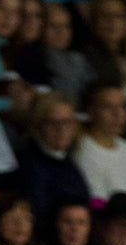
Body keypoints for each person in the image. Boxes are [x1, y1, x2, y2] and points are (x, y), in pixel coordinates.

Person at [73, 84, 126, 214]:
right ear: (89, 111)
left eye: (123, 106)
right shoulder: (82, 150)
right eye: (108, 107)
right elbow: (98, 203)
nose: (118, 114)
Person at [17, 92, 91, 223]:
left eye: (67, 122)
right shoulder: (28, 165)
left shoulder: (68, 162)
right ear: (38, 126)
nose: (61, 129)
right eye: (53, 123)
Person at [39, 4, 93, 104]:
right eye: (54, 26)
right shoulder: (34, 58)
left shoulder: (78, 59)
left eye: (66, 26)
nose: (61, 31)